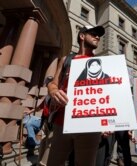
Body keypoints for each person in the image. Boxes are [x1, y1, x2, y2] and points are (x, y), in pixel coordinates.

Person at [46, 25, 105, 165]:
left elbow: (107, 96)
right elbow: (53, 83)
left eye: (99, 35)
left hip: (91, 126)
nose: (98, 37)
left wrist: (107, 121)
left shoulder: (103, 64)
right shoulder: (66, 59)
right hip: (62, 122)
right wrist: (53, 91)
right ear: (82, 36)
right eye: (93, 33)